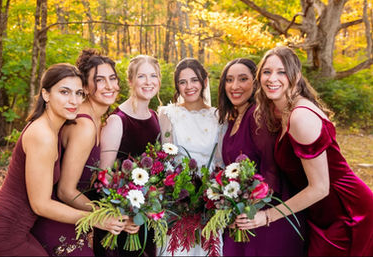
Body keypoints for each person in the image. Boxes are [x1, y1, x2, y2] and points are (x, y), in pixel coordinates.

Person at [239, 46, 373, 256]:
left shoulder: (300, 116)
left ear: (296, 76)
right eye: (266, 72)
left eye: (281, 72)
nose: (272, 78)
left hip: (347, 212)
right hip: (319, 213)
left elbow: (320, 187)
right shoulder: (279, 111)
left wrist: (267, 216)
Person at [0, 63, 126, 256]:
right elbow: (40, 204)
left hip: (21, 229)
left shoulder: (53, 129)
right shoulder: (42, 135)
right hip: (4, 230)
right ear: (46, 95)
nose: (74, 100)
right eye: (64, 92)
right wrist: (96, 218)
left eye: (79, 93)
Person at [31, 49, 127, 256]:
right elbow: (65, 190)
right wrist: (106, 216)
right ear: (85, 86)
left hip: (76, 219)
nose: (110, 86)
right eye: (100, 80)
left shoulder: (98, 120)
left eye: (113, 78)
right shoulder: (83, 125)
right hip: (56, 219)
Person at [217, 58, 305, 256]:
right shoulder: (233, 119)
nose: (235, 86)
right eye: (229, 80)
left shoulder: (257, 115)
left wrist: (252, 210)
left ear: (256, 83)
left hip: (268, 217)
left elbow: (271, 168)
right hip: (243, 216)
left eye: (243, 79)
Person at [99, 55, 161, 256]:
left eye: (153, 75)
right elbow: (104, 177)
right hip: (122, 222)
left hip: (145, 217)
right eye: (141, 76)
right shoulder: (117, 120)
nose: (148, 81)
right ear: (130, 81)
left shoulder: (155, 117)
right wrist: (126, 216)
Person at [158, 58, 221, 256]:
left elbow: (220, 161)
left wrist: (213, 192)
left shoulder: (219, 116)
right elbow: (165, 157)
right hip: (177, 197)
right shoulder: (168, 114)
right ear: (177, 85)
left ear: (204, 81)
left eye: (194, 80)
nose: (189, 86)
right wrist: (175, 190)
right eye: (182, 82)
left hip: (210, 198)